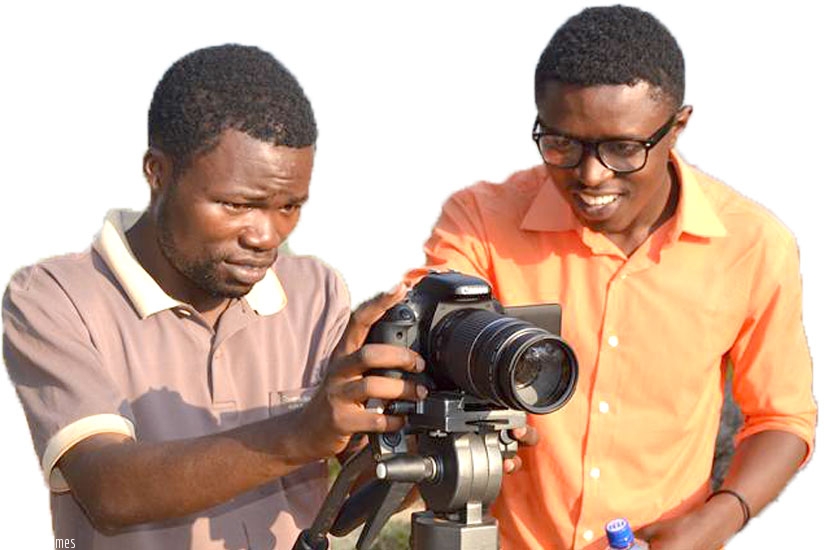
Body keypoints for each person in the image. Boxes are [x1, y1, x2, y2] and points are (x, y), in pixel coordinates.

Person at [410, 6, 816, 549]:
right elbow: (425, 326)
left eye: (623, 149)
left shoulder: (754, 246)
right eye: (563, 144)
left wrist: (720, 519)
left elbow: (782, 419)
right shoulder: (482, 221)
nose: (590, 175)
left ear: (677, 127)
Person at [2, 44, 429, 549]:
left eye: (289, 206)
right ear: (157, 173)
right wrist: (300, 435)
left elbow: (338, 510)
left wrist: (429, 458)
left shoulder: (315, 291)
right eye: (236, 205)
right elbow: (107, 490)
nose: (266, 235)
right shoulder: (56, 298)